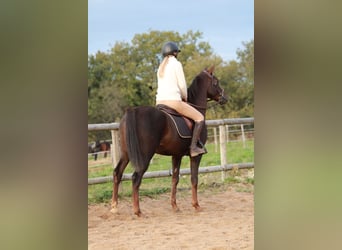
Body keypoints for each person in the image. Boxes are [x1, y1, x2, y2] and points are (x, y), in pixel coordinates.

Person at [156, 41, 206, 157]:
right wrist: (185, 97)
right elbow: (182, 85)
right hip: (173, 101)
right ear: (175, 52)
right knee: (199, 117)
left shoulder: (161, 67)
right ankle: (193, 148)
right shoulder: (176, 64)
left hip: (159, 103)